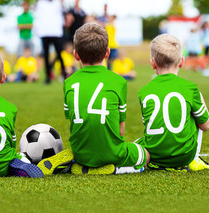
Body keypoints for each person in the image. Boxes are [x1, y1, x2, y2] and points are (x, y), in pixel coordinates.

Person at [37, 23, 150, 175]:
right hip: (112, 152)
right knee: (146, 154)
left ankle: (79, 164)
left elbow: (74, 122)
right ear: (107, 53)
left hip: (81, 153)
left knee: (85, 146)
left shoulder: (69, 82)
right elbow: (121, 131)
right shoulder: (119, 81)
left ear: (76, 54)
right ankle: (118, 168)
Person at [137, 33, 209, 172]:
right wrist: (200, 97)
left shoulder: (144, 91)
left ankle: (140, 162)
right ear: (182, 61)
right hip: (184, 157)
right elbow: (205, 126)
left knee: (136, 144)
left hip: (154, 156)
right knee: (197, 107)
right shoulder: (190, 88)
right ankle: (194, 159)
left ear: (152, 63)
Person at [33, 0, 66, 84]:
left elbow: (63, 12)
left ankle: (64, 74)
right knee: (46, 56)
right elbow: (36, 13)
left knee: (59, 54)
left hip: (56, 32)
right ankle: (47, 77)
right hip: (45, 32)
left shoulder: (58, 3)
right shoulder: (40, 3)